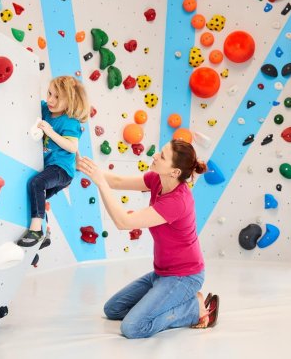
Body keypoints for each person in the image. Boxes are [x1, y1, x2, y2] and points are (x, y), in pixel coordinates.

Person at [76, 139, 219, 338]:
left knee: (133, 328)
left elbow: (123, 222)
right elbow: (117, 181)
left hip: (184, 276)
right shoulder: (156, 180)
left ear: (175, 172)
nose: (155, 155)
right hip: (161, 274)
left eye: (162, 155)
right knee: (113, 310)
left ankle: (193, 309)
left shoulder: (177, 202)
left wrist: (100, 183)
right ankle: (176, 299)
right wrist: (89, 169)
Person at [17, 76, 90, 247]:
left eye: (57, 97)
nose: (50, 99)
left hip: (62, 170)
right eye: (50, 93)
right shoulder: (45, 109)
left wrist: (50, 132)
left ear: (70, 101)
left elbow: (72, 147)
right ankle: (46, 230)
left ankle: (36, 231)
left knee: (37, 183)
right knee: (36, 198)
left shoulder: (70, 121)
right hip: (52, 167)